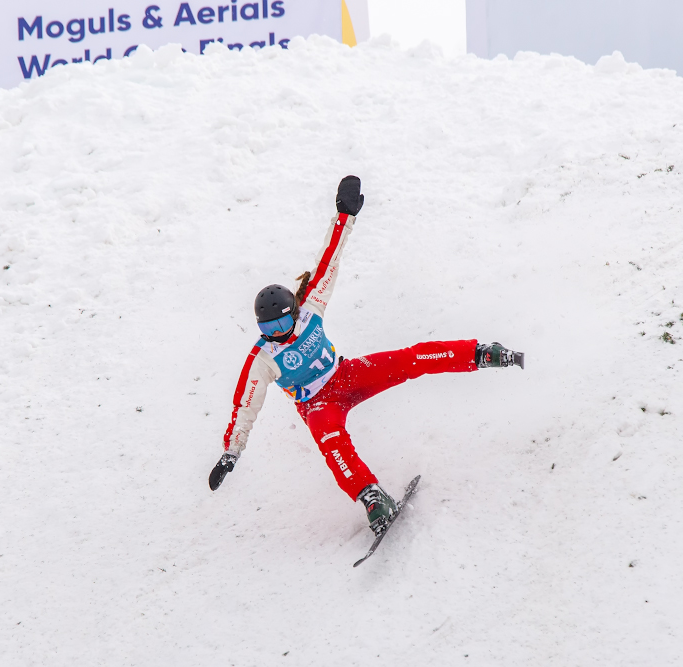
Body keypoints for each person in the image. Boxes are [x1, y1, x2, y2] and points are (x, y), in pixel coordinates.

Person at [209, 176, 524, 535]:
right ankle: (372, 497)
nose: (277, 334)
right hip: (317, 405)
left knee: (409, 360)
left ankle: (480, 354)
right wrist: (231, 453)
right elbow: (245, 406)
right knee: (331, 443)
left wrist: (344, 216)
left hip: (347, 376)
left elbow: (329, 258)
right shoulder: (263, 358)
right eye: (268, 329)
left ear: (293, 310)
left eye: (281, 323)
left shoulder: (311, 306)